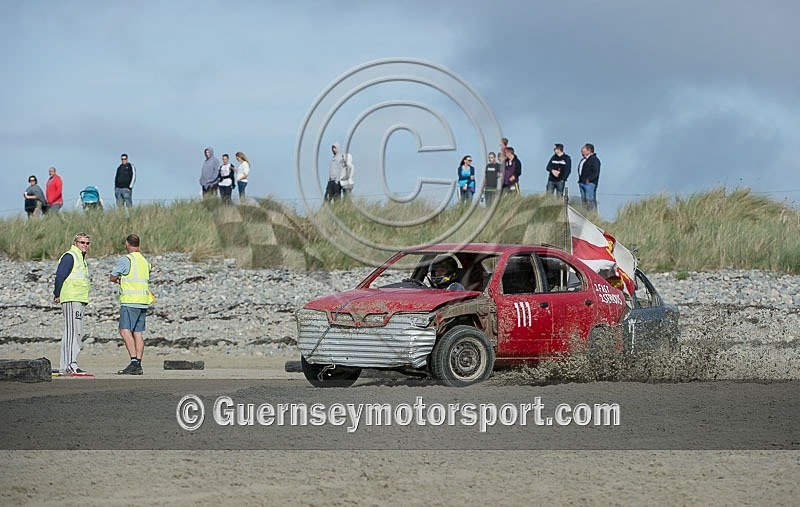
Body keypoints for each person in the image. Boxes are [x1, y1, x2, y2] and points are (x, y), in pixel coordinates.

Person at [110, 234, 152, 375]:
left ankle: (134, 362)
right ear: (139, 244)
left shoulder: (127, 259)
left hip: (130, 300)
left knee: (124, 330)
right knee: (138, 333)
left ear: (127, 244)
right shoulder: (144, 261)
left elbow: (112, 276)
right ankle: (138, 363)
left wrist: (119, 280)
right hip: (143, 301)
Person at [53, 233, 93, 377]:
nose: (85, 245)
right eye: (82, 242)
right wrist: (57, 294)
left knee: (72, 332)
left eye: (87, 243)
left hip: (79, 299)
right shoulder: (70, 256)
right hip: (71, 299)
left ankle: (65, 366)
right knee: (73, 332)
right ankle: (71, 365)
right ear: (75, 242)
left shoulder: (81, 259)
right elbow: (60, 276)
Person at [577, 143, 601, 212]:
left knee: (590, 200)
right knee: (584, 201)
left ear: (589, 151)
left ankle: (592, 216)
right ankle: (585, 215)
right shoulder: (583, 160)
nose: (582, 153)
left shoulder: (594, 160)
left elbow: (596, 172)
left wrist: (589, 179)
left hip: (589, 183)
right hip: (582, 182)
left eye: (584, 151)